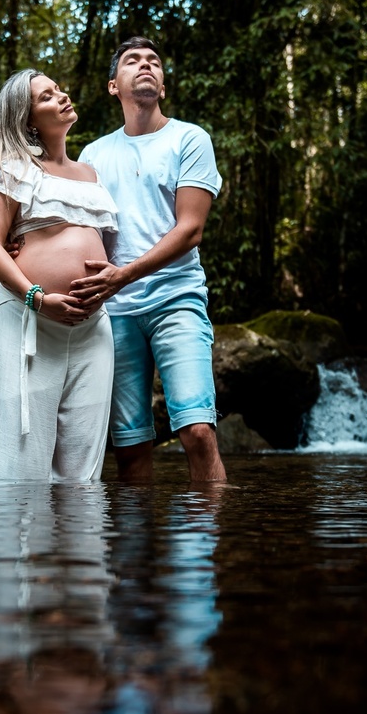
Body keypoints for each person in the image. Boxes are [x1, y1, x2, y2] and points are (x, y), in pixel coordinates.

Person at [69, 36, 227, 483]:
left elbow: (190, 229)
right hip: (114, 311)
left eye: (154, 62)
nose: (146, 66)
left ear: (163, 83)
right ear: (113, 86)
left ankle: (200, 550)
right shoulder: (94, 155)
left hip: (177, 298)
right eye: (133, 61)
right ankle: (135, 554)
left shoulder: (190, 139)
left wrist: (127, 274)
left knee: (197, 431)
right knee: (131, 446)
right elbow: (84, 234)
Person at [0, 69, 119, 482]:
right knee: (18, 455)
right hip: (27, 319)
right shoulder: (13, 169)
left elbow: (106, 248)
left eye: (60, 90)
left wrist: (108, 281)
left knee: (82, 464)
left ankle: (75, 547)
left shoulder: (92, 175)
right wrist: (38, 296)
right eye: (47, 97)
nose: (62, 97)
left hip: (91, 329)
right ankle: (15, 543)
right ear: (28, 119)